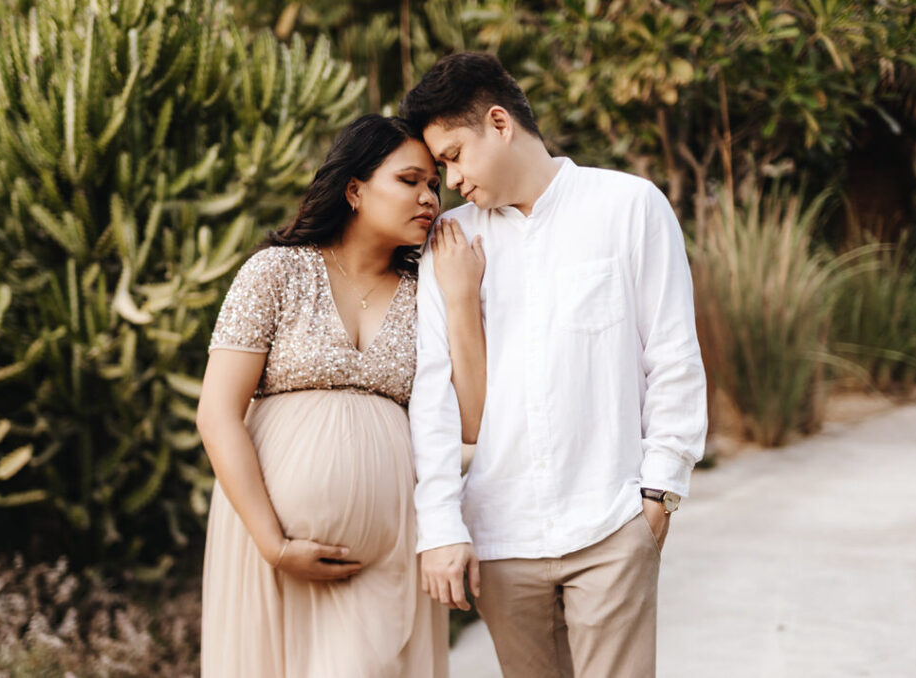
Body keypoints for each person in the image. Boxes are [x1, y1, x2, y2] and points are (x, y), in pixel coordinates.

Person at [401, 53, 708, 678]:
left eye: (455, 155)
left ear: (499, 122)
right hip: (502, 535)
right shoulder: (449, 242)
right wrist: (439, 525)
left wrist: (659, 493)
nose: (451, 180)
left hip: (611, 523)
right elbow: (431, 395)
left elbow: (672, 355)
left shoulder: (630, 206)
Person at [195, 114, 486, 677]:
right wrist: (273, 543)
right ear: (354, 189)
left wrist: (460, 301)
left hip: (390, 553)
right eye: (410, 181)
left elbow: (471, 422)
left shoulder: (428, 289)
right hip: (271, 547)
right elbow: (217, 415)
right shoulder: (275, 273)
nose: (429, 197)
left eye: (433, 184)